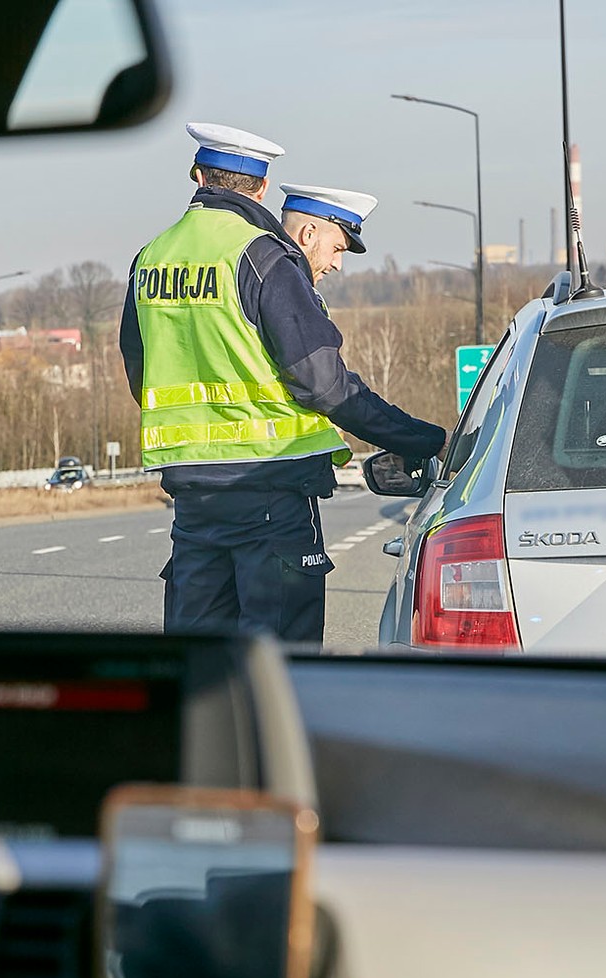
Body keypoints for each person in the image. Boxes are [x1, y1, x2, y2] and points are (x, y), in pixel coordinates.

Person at [120, 124, 446, 646]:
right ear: (263, 188)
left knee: (198, 657)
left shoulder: (150, 258)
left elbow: (142, 373)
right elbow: (325, 385)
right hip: (270, 490)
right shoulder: (262, 257)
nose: (336, 263)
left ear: (198, 177)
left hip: (192, 495)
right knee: (280, 656)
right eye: (338, 248)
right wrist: (426, 440)